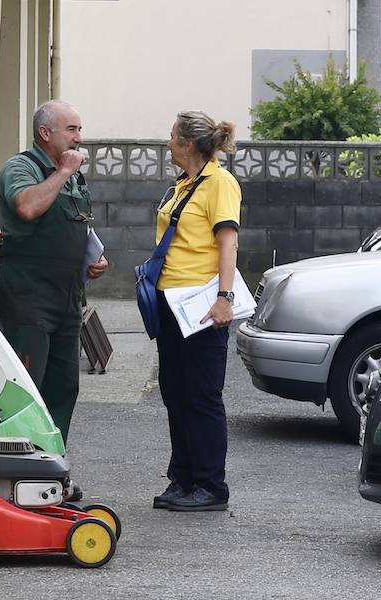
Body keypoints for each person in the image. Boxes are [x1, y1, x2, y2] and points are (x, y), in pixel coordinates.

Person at [0, 100, 108, 445]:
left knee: (64, 387)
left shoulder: (73, 176)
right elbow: (27, 206)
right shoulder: (21, 167)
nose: (79, 139)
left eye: (80, 130)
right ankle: (16, 465)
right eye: (71, 130)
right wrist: (62, 173)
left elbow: (77, 225)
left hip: (68, 296)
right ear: (45, 133)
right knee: (28, 385)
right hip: (29, 298)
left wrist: (92, 258)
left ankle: (51, 461)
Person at [151, 110, 241, 512]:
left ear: (188, 144)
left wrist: (225, 298)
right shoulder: (185, 183)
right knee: (175, 393)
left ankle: (210, 486)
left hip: (202, 305)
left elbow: (228, 244)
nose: (167, 142)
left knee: (202, 396)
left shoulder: (219, 183)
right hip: (172, 302)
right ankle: (182, 478)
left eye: (172, 137)